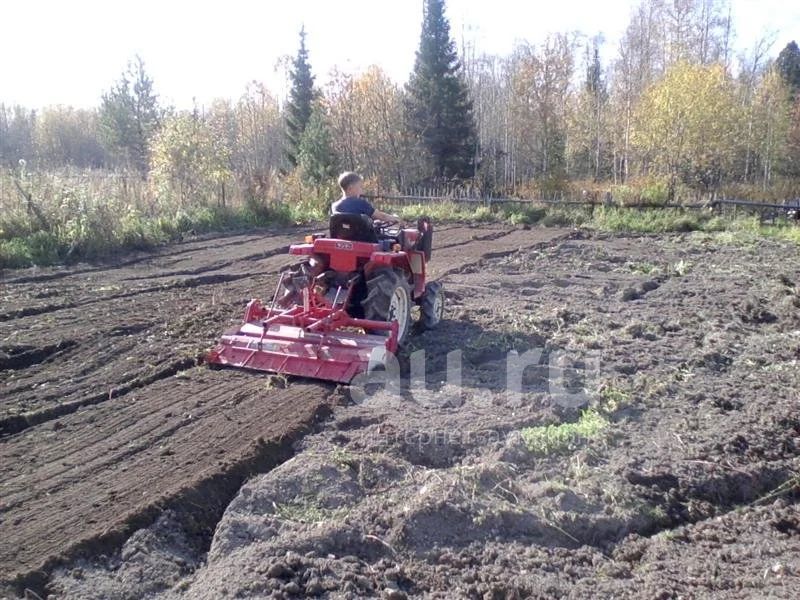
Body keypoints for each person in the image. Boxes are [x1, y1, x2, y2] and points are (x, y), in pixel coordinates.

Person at [331, 172, 400, 223]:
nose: (362, 191)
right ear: (350, 188)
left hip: (345, 238)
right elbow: (382, 216)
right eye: (360, 187)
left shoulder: (334, 206)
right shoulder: (359, 204)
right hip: (363, 239)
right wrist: (395, 218)